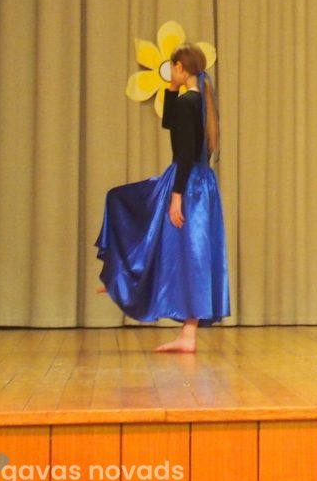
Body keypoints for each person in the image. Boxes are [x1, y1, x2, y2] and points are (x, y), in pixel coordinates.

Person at [96, 44, 229, 352]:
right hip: (202, 184)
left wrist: (177, 196)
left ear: (181, 67)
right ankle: (184, 330)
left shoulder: (187, 103)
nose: (171, 73)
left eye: (173, 68)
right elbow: (170, 123)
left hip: (187, 183)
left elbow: (185, 153)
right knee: (187, 253)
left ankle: (123, 278)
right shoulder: (200, 102)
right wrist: (171, 88)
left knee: (124, 205)